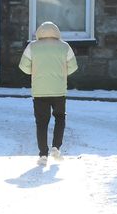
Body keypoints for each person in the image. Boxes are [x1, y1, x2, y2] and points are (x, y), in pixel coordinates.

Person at [18, 21, 78, 164]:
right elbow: (73, 67)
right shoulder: (65, 46)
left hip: (39, 91)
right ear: (56, 32)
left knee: (41, 123)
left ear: (39, 32)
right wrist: (62, 74)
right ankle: (56, 147)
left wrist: (35, 71)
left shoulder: (32, 46)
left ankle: (43, 155)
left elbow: (24, 67)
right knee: (60, 118)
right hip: (59, 90)